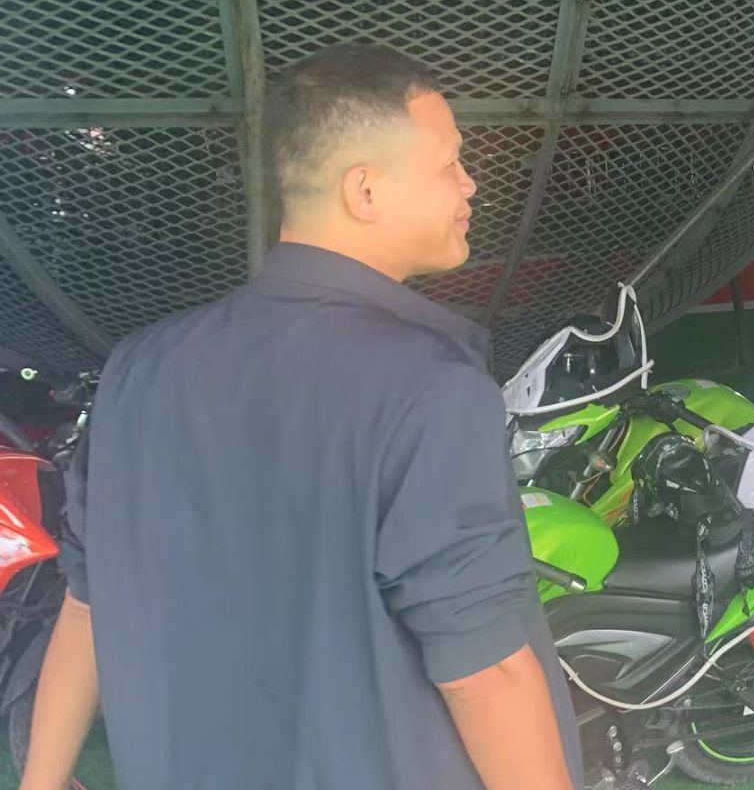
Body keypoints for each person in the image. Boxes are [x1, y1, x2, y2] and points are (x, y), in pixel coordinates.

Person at [22, 45, 579, 790]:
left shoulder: (137, 369)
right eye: (451, 162)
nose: (470, 183)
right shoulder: (431, 391)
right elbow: (485, 673)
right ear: (366, 190)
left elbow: (87, 606)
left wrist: (40, 780)